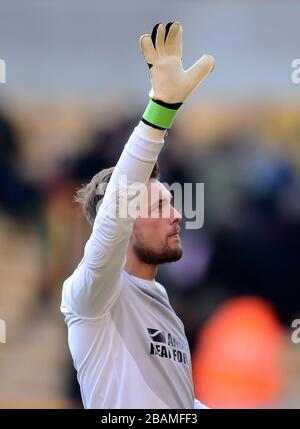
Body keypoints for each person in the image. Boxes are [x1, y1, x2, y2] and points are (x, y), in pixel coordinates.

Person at [61, 21, 215, 409]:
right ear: (126, 222)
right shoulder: (93, 295)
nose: (178, 215)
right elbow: (115, 211)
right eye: (161, 206)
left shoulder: (162, 301)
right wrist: (160, 112)